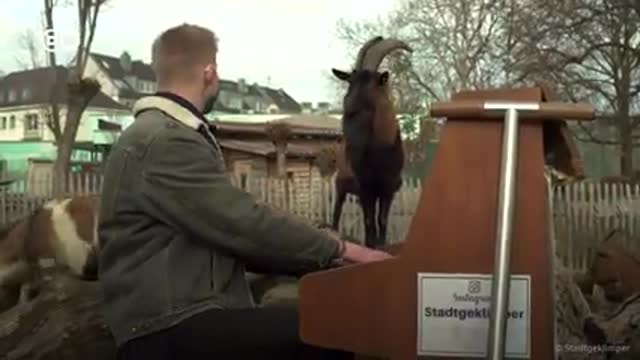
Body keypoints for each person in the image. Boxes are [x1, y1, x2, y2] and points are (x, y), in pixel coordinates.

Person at [97, 23, 393, 360]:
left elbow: (234, 236)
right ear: (210, 73)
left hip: (176, 316)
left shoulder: (158, 134)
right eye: (217, 70)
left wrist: (323, 261)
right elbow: (243, 223)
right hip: (171, 325)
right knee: (332, 335)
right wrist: (346, 251)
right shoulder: (166, 140)